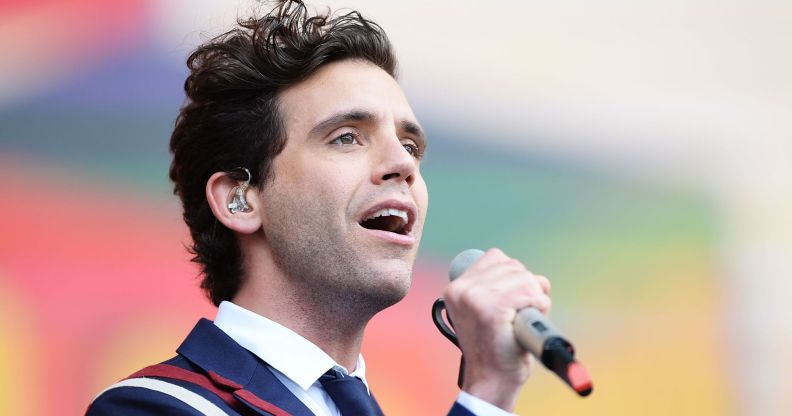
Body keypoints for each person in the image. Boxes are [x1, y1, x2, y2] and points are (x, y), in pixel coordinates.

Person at [86, 1, 552, 415]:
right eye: (347, 137)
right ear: (240, 198)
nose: (402, 165)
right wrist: (486, 394)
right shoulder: (154, 406)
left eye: (410, 145)